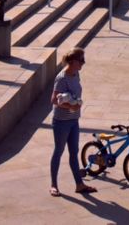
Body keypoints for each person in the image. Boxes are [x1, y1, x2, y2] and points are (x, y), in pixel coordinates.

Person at [49, 48, 97, 197]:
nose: (83, 62)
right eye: (81, 60)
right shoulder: (62, 78)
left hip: (73, 120)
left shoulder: (76, 74)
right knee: (58, 151)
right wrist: (71, 106)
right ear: (73, 61)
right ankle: (53, 185)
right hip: (61, 122)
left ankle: (79, 185)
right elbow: (53, 100)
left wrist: (76, 104)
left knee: (74, 153)